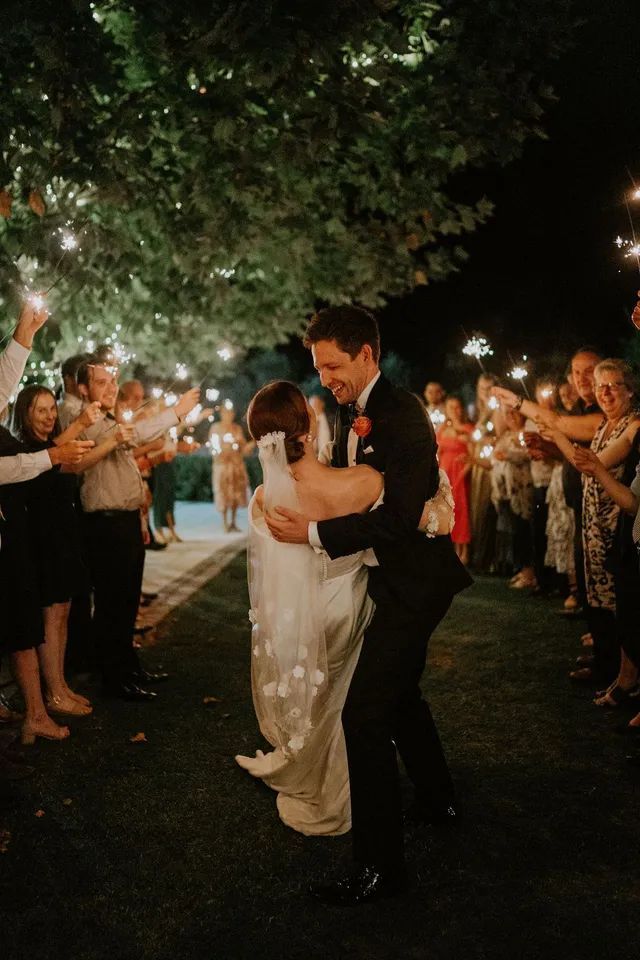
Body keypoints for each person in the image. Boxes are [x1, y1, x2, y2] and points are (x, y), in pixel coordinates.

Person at [265, 305, 471, 904]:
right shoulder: (350, 409)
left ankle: (380, 869)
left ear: (366, 355)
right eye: (318, 367)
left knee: (366, 713)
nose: (325, 378)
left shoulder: (403, 418)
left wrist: (310, 535)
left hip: (416, 583)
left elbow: (400, 522)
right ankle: (438, 798)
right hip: (391, 582)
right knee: (401, 696)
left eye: (332, 365)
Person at [76, 356, 200, 700]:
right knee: (112, 603)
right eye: (102, 383)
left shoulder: (112, 418)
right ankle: (114, 679)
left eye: (112, 381)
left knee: (128, 600)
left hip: (127, 520)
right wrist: (175, 411)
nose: (111, 388)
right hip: (105, 524)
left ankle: (129, 667)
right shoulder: (84, 421)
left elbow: (135, 436)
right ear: (83, 389)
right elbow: (136, 436)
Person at [436, 395, 473, 564]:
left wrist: (462, 474)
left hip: (460, 473)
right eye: (451, 407)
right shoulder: (442, 429)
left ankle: (463, 550)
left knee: (461, 510)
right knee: (446, 510)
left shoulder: (468, 429)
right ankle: (448, 548)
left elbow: (473, 456)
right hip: (445, 472)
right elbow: (437, 452)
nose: (455, 411)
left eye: (457, 407)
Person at [209, 403, 253, 532]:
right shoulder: (215, 428)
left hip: (236, 466)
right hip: (222, 466)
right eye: (225, 413)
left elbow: (244, 448)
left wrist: (252, 444)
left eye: (230, 413)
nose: (228, 415)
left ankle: (233, 522)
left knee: (235, 494)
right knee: (223, 493)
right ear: (221, 414)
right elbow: (214, 448)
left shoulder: (237, 429)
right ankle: (224, 522)